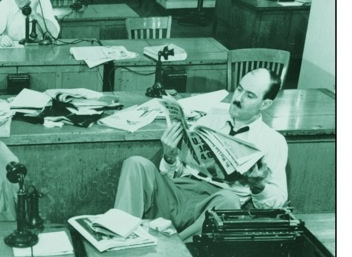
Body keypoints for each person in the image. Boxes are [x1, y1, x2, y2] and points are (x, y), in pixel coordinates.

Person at [113, 68, 288, 241]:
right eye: (239, 89)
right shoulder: (208, 121)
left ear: (265, 104)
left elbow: (278, 201)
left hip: (215, 205)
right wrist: (170, 157)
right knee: (135, 163)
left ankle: (176, 249)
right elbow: (178, 171)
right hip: (180, 193)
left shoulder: (273, 141)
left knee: (229, 200)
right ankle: (119, 236)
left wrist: (259, 186)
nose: (238, 98)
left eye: (250, 95)